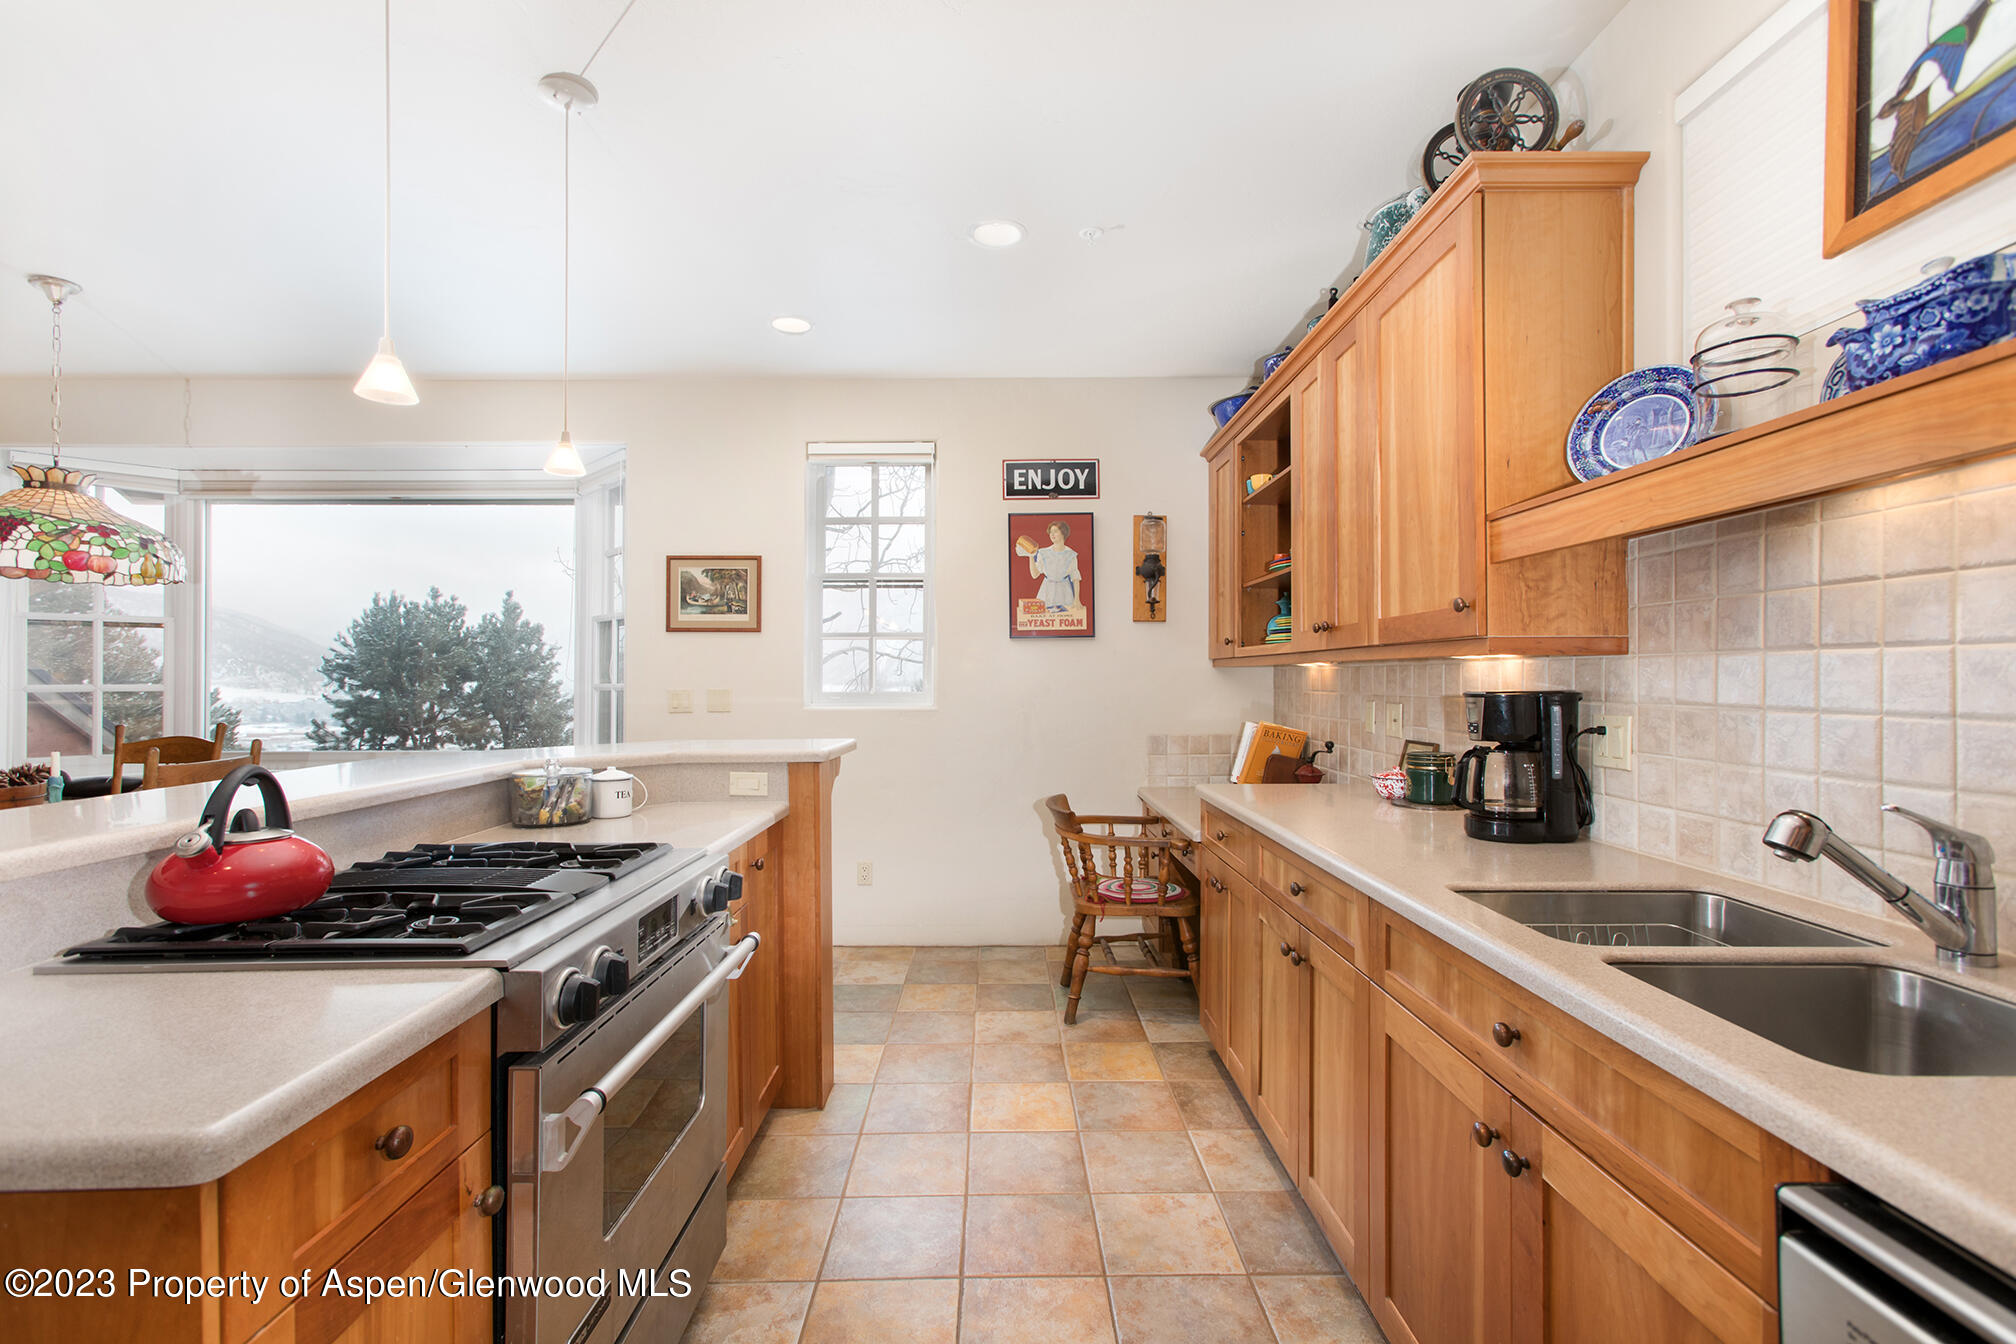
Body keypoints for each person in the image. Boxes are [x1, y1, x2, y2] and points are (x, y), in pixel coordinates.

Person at [1029, 520, 1080, 612]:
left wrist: (1077, 599)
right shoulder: (1043, 553)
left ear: (1063, 533)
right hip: (1046, 592)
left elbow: (1075, 578)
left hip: (1064, 592)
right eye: (1050, 532)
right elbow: (1034, 575)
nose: (1052, 534)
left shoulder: (1071, 554)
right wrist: (1031, 557)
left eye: (1055, 531)